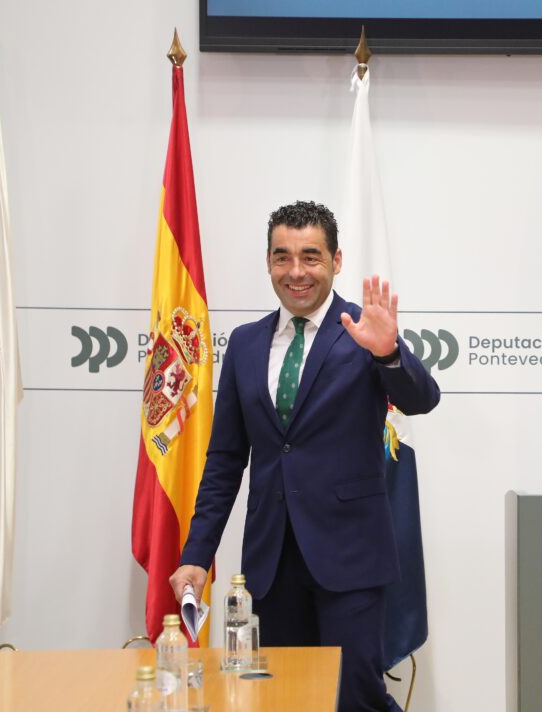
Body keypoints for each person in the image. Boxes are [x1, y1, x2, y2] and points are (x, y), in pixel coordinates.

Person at [170, 200, 441, 712]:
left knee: (355, 699)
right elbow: (225, 460)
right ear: (269, 262)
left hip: (351, 559)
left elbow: (422, 399)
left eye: (311, 256)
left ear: (336, 261)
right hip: (271, 564)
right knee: (282, 700)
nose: (296, 271)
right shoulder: (245, 344)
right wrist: (196, 556)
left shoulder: (364, 329)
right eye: (283, 257)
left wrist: (387, 353)